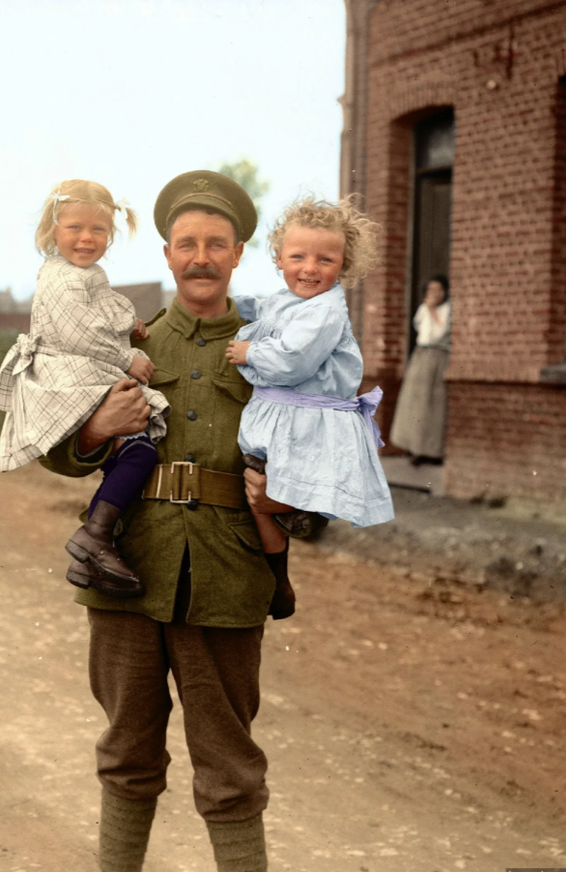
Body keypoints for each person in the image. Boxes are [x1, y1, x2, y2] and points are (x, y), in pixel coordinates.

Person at [40, 170, 290, 872]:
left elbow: (325, 464)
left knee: (231, 768)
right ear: (168, 254)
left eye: (216, 243)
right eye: (187, 243)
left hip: (228, 575)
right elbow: (57, 447)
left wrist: (289, 504)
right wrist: (93, 431)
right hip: (128, 569)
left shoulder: (278, 350)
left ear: (239, 252)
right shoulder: (122, 338)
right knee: (126, 753)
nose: (201, 256)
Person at [0, 180, 169, 598]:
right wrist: (127, 358)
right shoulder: (61, 278)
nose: (87, 239)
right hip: (66, 374)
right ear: (53, 231)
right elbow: (78, 330)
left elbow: (101, 313)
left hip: (78, 368)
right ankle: (96, 534)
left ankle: (96, 546)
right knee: (137, 447)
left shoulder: (86, 274)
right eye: (75, 228)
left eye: (99, 231)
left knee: (131, 448)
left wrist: (131, 323)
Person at [225, 195, 394, 594]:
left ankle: (279, 572)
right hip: (286, 415)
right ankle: (276, 565)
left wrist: (250, 351)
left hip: (307, 420)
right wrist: (228, 305)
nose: (310, 269)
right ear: (279, 259)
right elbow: (265, 308)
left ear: (343, 266)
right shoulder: (292, 299)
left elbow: (292, 362)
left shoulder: (325, 311)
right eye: (298, 257)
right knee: (258, 489)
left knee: (269, 490)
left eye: (325, 260)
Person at [389, 275, 451, 465]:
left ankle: (430, 451)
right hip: (420, 356)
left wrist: (432, 310)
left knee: (431, 404)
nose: (433, 294)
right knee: (414, 402)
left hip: (437, 357)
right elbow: (419, 328)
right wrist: (428, 309)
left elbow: (439, 333)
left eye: (438, 290)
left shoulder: (447, 310)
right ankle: (412, 446)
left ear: (445, 292)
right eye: (430, 290)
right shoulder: (423, 309)